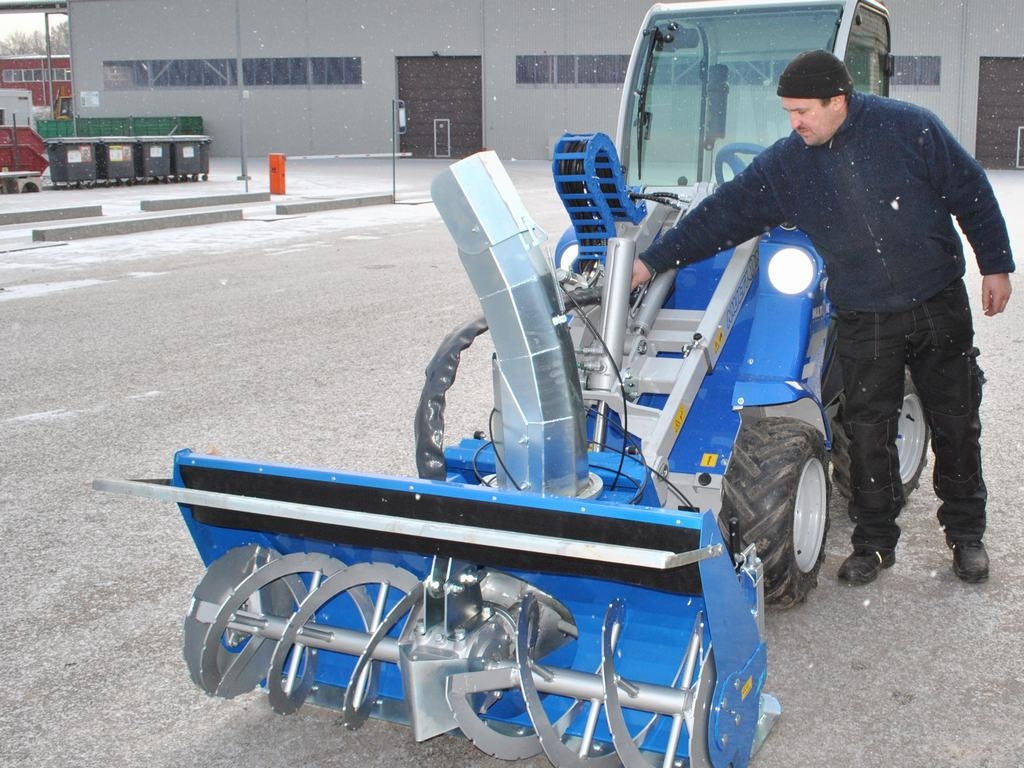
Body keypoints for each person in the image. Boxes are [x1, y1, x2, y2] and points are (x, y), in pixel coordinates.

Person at [631, 50, 1014, 585]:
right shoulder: (789, 164)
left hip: (936, 301)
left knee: (955, 418)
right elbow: (723, 214)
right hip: (864, 312)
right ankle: (875, 543)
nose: (795, 123)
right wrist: (652, 261)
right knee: (867, 429)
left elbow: (971, 191)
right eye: (788, 111)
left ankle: (966, 535)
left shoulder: (909, 129)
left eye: (803, 110)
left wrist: (994, 264)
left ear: (839, 100)